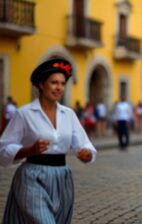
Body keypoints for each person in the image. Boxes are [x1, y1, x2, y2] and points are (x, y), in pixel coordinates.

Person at [0, 58, 97, 224]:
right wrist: (29, 150)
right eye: (54, 83)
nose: (59, 87)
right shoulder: (24, 113)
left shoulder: (69, 114)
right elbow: (3, 149)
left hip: (62, 178)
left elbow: (85, 144)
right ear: (41, 84)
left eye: (62, 83)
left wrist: (86, 154)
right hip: (32, 177)